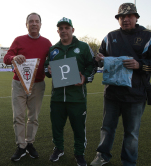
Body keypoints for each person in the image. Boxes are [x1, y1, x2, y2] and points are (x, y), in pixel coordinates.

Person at [90, 3, 151, 166]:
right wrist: (98, 59)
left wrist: (139, 64)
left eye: (129, 16)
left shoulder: (149, 37)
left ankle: (129, 162)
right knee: (106, 128)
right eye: (121, 17)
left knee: (131, 133)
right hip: (111, 92)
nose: (125, 19)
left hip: (136, 93)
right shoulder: (109, 37)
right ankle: (102, 156)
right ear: (118, 19)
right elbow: (101, 59)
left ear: (136, 17)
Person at [44, 17, 96, 166]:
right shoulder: (53, 49)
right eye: (61, 28)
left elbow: (92, 66)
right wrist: (47, 70)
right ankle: (58, 149)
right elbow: (46, 68)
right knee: (56, 127)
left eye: (67, 28)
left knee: (79, 128)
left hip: (77, 98)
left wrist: (85, 77)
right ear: (58, 31)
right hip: (57, 98)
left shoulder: (84, 47)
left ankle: (79, 153)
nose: (64, 30)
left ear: (72, 30)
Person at [3, 12, 52, 162]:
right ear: (27, 24)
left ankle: (30, 143)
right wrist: (13, 58)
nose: (34, 24)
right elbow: (6, 58)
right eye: (31, 21)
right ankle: (21, 146)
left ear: (41, 24)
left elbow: (51, 61)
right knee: (18, 116)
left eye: (37, 21)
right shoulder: (18, 40)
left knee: (33, 117)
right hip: (19, 83)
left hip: (37, 84)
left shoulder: (47, 43)